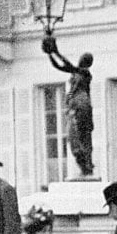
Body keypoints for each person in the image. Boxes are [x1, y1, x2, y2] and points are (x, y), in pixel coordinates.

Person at [43, 36, 97, 177]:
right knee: (74, 137)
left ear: (87, 63)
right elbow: (60, 67)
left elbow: (68, 65)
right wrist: (50, 54)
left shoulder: (85, 73)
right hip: (75, 106)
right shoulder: (76, 72)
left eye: (84, 59)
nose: (81, 60)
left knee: (80, 136)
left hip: (82, 105)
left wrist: (56, 52)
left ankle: (87, 166)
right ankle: (84, 167)